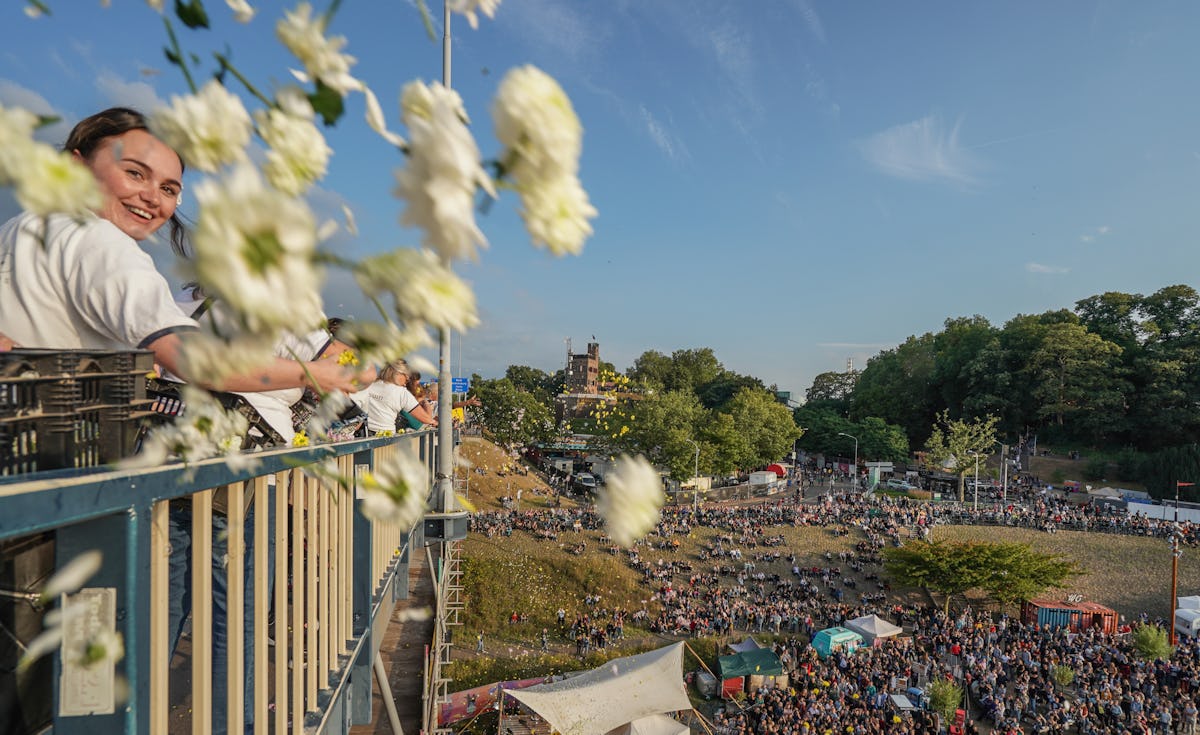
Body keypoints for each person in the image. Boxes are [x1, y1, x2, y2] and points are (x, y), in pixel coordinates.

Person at [0, 108, 372, 735]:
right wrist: (318, 375)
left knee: (153, 601)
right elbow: (191, 357)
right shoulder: (103, 245)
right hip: (74, 498)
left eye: (169, 188)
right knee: (92, 672)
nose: (153, 197)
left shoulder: (20, 229)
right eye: (135, 174)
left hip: (41, 470)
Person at [364, 360, 436, 434]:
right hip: (385, 435)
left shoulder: (370, 385)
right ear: (398, 373)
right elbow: (426, 419)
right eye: (406, 378)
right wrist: (433, 420)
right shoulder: (401, 392)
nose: (406, 383)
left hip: (364, 434)